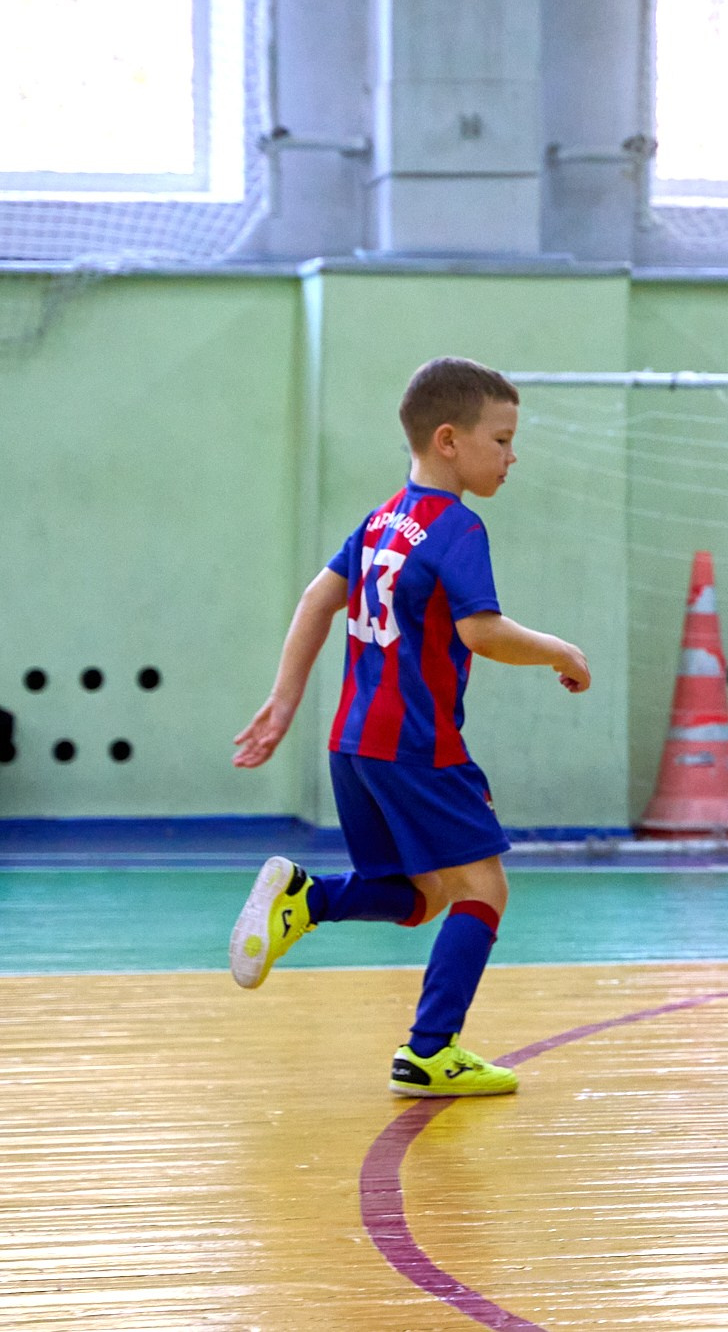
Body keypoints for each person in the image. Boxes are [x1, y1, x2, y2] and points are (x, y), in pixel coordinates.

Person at [228, 357, 591, 1097]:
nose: (512, 455)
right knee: (484, 890)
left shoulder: (378, 519)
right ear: (450, 440)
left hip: (353, 743)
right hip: (419, 745)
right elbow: (482, 631)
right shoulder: (456, 526)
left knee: (420, 893)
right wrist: (560, 649)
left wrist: (286, 699)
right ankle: (430, 1051)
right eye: (503, 438)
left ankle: (309, 897)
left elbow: (315, 600)